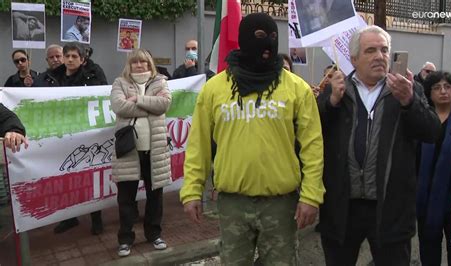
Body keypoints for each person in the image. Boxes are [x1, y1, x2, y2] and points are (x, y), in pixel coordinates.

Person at [180, 13, 324, 265]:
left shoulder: (296, 88)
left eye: (272, 38)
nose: (267, 44)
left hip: (280, 205)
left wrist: (311, 195)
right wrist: (192, 190)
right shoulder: (215, 89)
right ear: (244, 40)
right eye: (259, 37)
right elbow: (198, 145)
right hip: (233, 204)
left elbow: (313, 146)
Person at [317, 25, 440, 265]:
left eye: (384, 50)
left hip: (390, 208)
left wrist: (409, 102)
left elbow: (432, 132)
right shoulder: (336, 89)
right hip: (343, 207)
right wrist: (330, 102)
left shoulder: (406, 88)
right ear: (353, 59)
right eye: (370, 50)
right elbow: (312, 133)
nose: (379, 56)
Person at [110, 48, 171, 257]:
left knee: (156, 196)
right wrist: (149, 106)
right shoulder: (120, 82)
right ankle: (125, 239)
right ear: (130, 64)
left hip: (154, 150)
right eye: (135, 62)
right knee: (126, 198)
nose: (139, 65)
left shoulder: (160, 81)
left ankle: (154, 234)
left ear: (149, 64)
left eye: (143, 62)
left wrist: (138, 99)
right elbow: (119, 107)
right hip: (129, 150)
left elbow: (164, 104)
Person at [46, 43, 106, 235]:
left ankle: (96, 219)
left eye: (74, 56)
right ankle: (69, 218)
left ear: (82, 59)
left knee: (89, 174)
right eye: (67, 56)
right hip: (63, 134)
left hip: (86, 134)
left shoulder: (91, 76)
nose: (70, 59)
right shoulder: (53, 77)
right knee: (65, 175)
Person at [417, 71, 451, 266]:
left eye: (447, 87)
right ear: (429, 93)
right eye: (437, 88)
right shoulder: (422, 118)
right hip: (426, 197)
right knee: (428, 249)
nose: (442, 91)